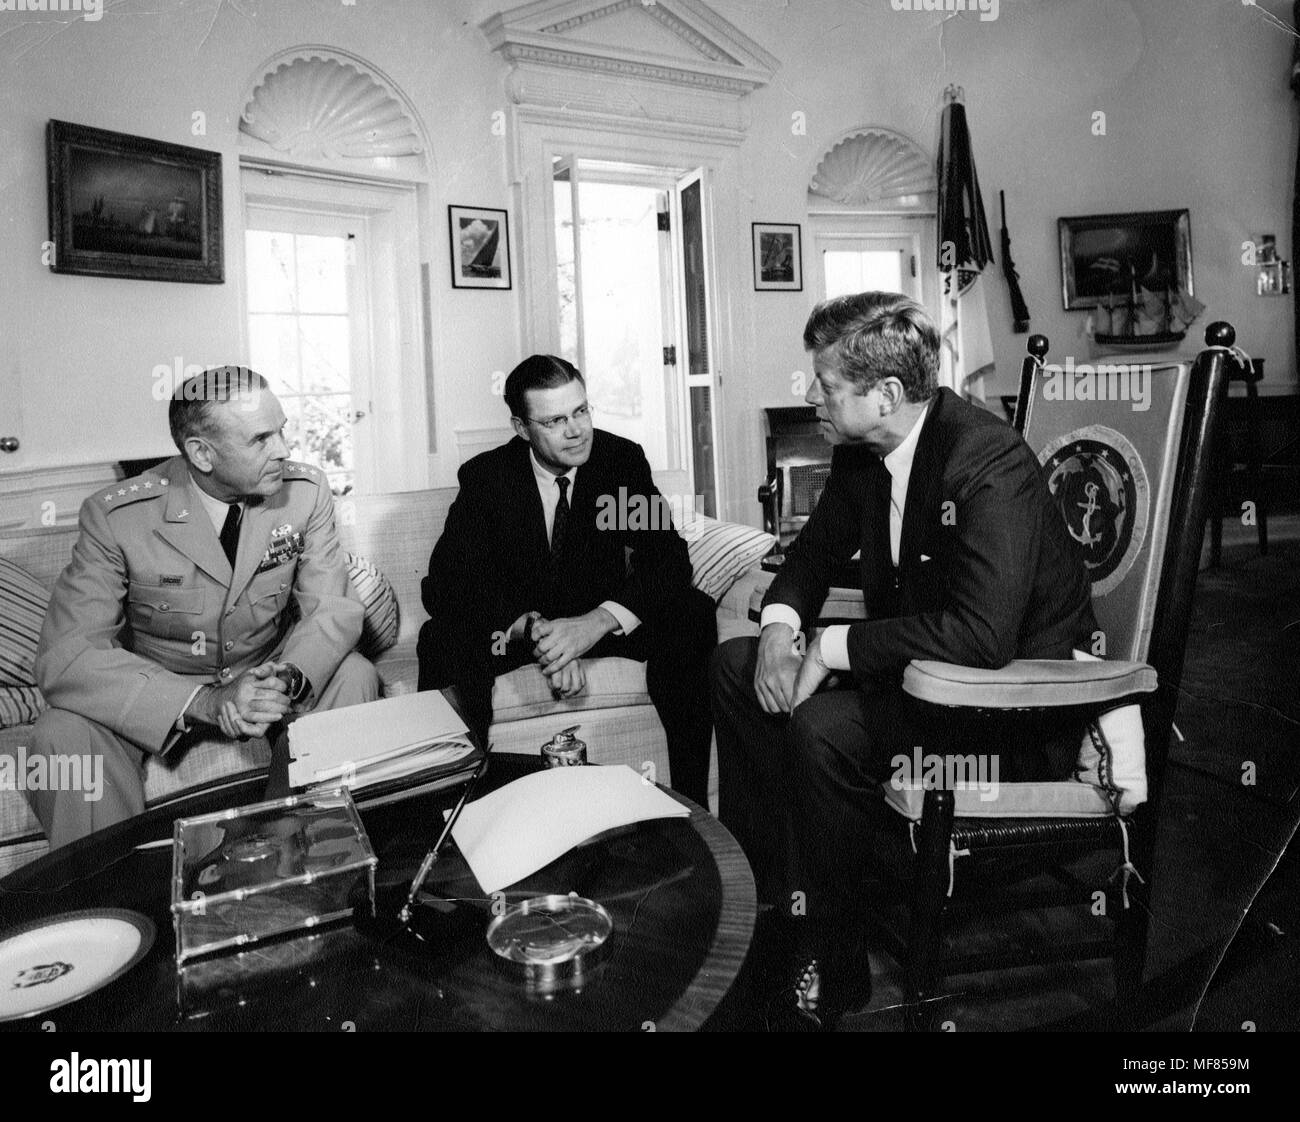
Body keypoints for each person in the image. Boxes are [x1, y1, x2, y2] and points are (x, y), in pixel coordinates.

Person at [710, 292, 1097, 1029]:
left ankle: (834, 952)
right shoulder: (863, 451)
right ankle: (776, 907)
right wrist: (779, 629)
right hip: (925, 676)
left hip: (1008, 709)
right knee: (734, 667)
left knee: (824, 727)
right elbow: (812, 553)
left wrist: (829, 646)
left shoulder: (986, 458)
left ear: (886, 395)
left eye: (825, 386)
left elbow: (983, 636)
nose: (811, 397)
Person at [24, 367, 379, 848]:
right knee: (59, 734)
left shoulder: (305, 492)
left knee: (355, 673)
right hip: (162, 689)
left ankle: (307, 855)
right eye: (260, 439)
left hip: (266, 672)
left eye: (282, 431)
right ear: (201, 453)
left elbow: (332, 609)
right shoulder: (117, 517)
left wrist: (286, 678)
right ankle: (117, 901)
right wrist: (205, 703)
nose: (284, 450)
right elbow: (68, 654)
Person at [417, 354, 716, 805]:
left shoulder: (617, 464)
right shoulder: (488, 479)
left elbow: (669, 560)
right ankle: (454, 811)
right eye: (555, 421)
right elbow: (445, 585)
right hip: (514, 635)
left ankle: (692, 804)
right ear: (522, 429)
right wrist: (532, 628)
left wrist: (594, 623)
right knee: (442, 638)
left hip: (600, 630)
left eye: (581, 411)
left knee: (690, 613)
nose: (576, 430)